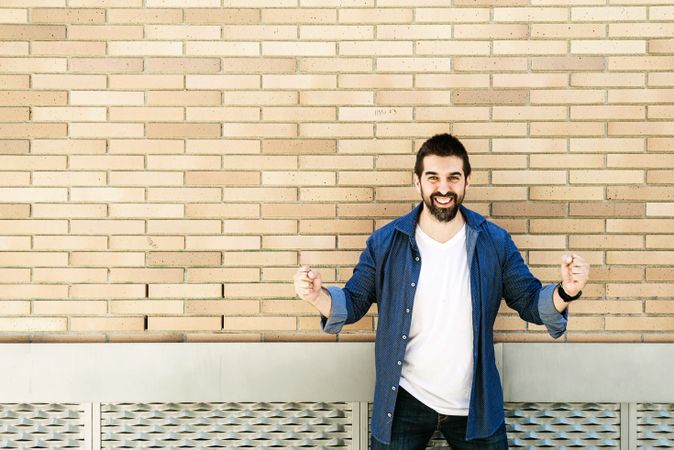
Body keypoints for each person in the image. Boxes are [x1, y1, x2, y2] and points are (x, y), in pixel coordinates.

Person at [293, 133, 590, 449]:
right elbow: (353, 301)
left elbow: (529, 300)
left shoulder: (494, 242)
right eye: (433, 178)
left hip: (474, 404)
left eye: (453, 177)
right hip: (403, 400)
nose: (444, 188)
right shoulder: (385, 243)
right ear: (417, 182)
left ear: (466, 182)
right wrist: (318, 296)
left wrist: (566, 291)